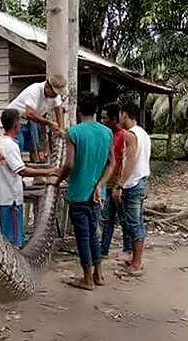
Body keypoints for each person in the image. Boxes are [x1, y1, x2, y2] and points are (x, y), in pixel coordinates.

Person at [52, 92, 115, 290]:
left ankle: (87, 278)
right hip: (97, 194)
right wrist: (101, 184)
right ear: (96, 110)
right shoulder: (107, 132)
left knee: (83, 236)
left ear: (79, 110)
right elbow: (112, 163)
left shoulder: (74, 132)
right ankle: (99, 274)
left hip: (79, 192)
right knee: (93, 234)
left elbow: (69, 164)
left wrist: (58, 179)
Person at [0, 109, 59, 248]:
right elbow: (22, 171)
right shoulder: (10, 145)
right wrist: (48, 172)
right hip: (10, 197)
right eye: (20, 123)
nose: (21, 126)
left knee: (7, 235)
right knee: (13, 240)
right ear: (15, 125)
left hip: (1, 195)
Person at [97, 102, 151, 277]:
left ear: (125, 115)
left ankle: (137, 263)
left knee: (134, 223)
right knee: (134, 222)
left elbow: (130, 162)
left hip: (133, 184)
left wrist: (119, 185)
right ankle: (134, 258)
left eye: (120, 114)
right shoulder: (143, 133)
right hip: (140, 181)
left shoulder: (130, 135)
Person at [99, 103, 132, 262]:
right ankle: (103, 249)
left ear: (113, 119)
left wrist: (119, 184)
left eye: (105, 118)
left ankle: (127, 248)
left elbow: (123, 162)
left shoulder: (123, 136)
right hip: (107, 181)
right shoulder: (107, 134)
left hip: (118, 183)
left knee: (123, 217)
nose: (102, 120)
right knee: (107, 218)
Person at [7, 76, 66, 162]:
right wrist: (50, 123)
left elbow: (58, 108)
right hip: (15, 119)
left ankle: (36, 170)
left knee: (34, 147)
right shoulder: (35, 90)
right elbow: (30, 113)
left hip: (31, 120)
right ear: (47, 87)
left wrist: (60, 127)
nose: (55, 95)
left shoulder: (54, 95)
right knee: (18, 145)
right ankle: (17, 170)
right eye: (54, 93)